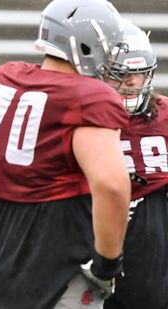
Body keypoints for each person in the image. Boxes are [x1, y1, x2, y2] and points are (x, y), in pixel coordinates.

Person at [0, 0, 132, 308]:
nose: (111, 56)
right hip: (62, 276)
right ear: (85, 45)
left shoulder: (9, 87)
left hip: (4, 272)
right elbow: (112, 184)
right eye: (108, 46)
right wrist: (107, 264)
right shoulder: (84, 98)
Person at [103, 20, 168, 309]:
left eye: (137, 74)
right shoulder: (83, 118)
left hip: (156, 238)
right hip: (99, 225)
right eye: (121, 73)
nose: (130, 82)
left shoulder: (164, 115)